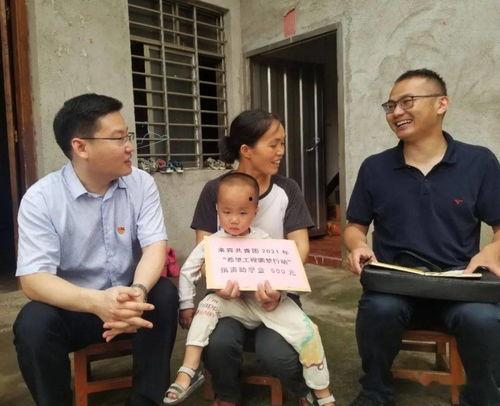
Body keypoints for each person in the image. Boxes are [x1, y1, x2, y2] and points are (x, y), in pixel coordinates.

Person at [344, 69, 500, 406]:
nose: (396, 112)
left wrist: (494, 250)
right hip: (396, 284)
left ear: (442, 104)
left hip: (459, 286)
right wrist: (357, 245)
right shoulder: (375, 168)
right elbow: (354, 226)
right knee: (378, 309)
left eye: (407, 102)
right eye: (390, 106)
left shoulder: (479, 162)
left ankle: (483, 397)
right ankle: (375, 392)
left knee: (484, 318)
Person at [13, 93, 179, 406]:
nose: (130, 147)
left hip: (130, 302)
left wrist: (139, 291)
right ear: (81, 147)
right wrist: (97, 302)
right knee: (33, 324)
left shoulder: (141, 183)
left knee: (165, 295)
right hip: (77, 307)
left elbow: (155, 246)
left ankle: (146, 400)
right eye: (118, 138)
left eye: (128, 136)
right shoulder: (42, 199)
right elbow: (33, 280)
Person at [165, 172, 335, 406]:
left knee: (307, 330)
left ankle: (321, 391)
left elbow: (284, 273)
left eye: (243, 213)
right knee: (206, 307)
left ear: (255, 211)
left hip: (265, 304)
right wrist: (186, 305)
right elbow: (187, 272)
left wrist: (277, 294)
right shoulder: (211, 244)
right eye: (227, 212)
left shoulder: (265, 242)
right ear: (217, 209)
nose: (234, 220)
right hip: (231, 304)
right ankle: (188, 371)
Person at [191, 110, 316, 406]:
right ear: (246, 150)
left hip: (276, 294)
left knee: (278, 356)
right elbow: (205, 253)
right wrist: (218, 284)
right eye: (273, 144)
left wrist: (279, 287)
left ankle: (304, 388)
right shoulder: (214, 190)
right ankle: (227, 394)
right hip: (228, 296)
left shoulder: (287, 190)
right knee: (218, 345)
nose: (281, 151)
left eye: (282, 143)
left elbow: (300, 248)